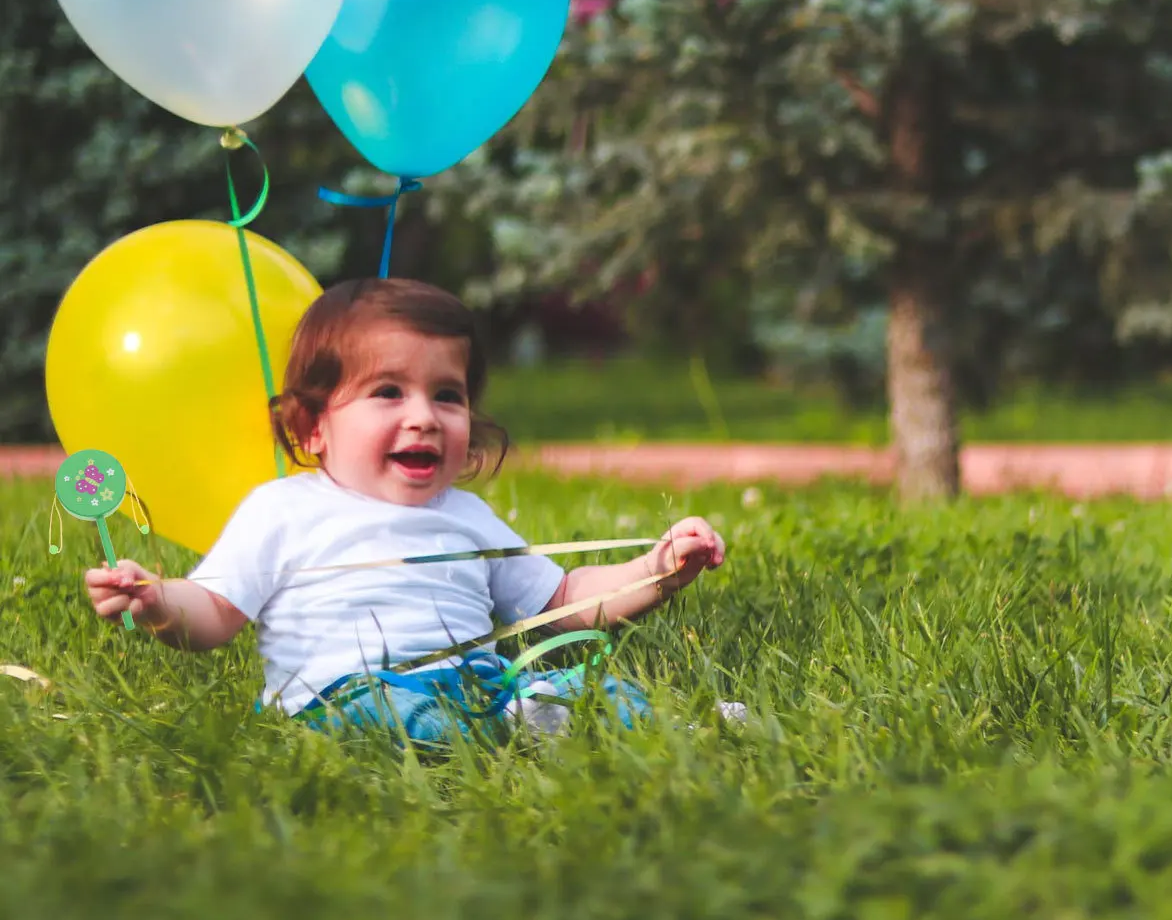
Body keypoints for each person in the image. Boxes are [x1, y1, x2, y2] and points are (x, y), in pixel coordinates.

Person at [84, 278, 737, 746]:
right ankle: (515, 733)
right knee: (392, 713)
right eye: (388, 392)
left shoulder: (466, 514)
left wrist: (656, 569)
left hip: (476, 682)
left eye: (447, 395)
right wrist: (157, 601)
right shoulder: (282, 510)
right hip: (342, 695)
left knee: (586, 683)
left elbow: (563, 598)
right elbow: (213, 612)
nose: (424, 416)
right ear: (313, 427)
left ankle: (682, 730)